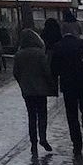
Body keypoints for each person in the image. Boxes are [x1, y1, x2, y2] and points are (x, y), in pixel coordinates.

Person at [50, 20, 83, 156]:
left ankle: (76, 143)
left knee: (72, 115)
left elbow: (54, 69)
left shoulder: (58, 46)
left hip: (68, 85)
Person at [13, 28, 56, 156]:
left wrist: (22, 83)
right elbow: (46, 71)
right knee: (42, 114)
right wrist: (51, 84)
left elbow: (16, 72)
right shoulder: (40, 54)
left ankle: (33, 143)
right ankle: (43, 137)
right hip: (41, 90)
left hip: (27, 91)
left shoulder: (19, 55)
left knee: (31, 116)